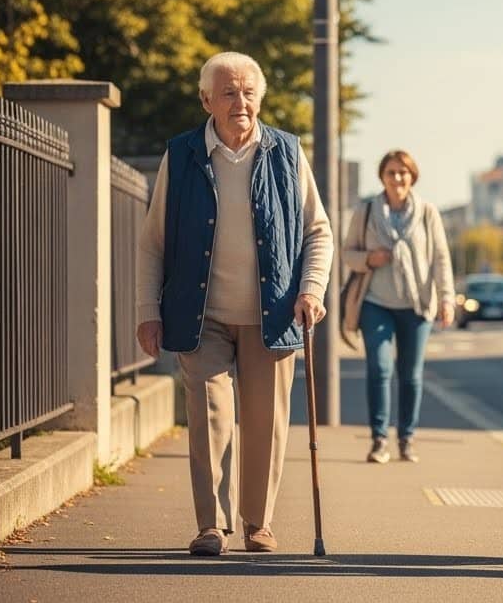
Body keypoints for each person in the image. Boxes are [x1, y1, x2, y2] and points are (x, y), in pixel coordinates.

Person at [136, 51, 332, 557]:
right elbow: (153, 241)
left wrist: (311, 289)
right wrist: (147, 310)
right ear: (206, 100)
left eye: (248, 92)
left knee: (265, 422)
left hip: (273, 313)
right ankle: (212, 525)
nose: (239, 101)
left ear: (260, 98)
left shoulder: (287, 153)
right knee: (209, 413)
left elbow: (317, 231)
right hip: (202, 314)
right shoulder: (181, 156)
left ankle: (257, 522)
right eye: (228, 92)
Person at [341, 149, 455, 464]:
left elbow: (440, 259)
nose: (397, 178)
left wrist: (446, 297)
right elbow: (346, 253)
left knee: (411, 375)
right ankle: (379, 439)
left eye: (403, 172)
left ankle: (406, 438)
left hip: (416, 305)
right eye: (391, 173)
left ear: (412, 176)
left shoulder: (428, 213)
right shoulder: (365, 213)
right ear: (383, 177)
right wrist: (368, 259)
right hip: (375, 303)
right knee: (379, 368)